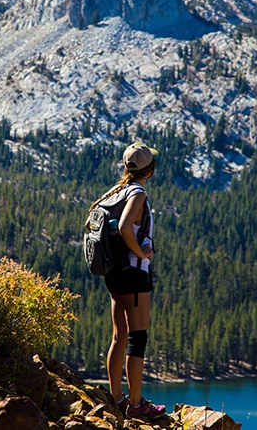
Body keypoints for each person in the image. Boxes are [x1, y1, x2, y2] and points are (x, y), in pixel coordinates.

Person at [88, 142, 166, 419]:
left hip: (114, 273)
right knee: (137, 339)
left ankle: (117, 399)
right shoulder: (137, 193)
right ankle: (136, 405)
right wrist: (141, 252)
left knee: (119, 336)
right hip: (133, 274)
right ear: (150, 169)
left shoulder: (116, 191)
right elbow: (124, 227)